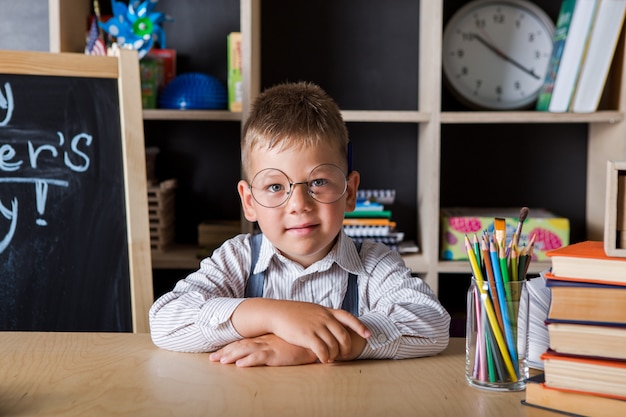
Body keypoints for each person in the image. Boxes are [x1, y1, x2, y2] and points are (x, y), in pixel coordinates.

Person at [149, 81, 450, 367]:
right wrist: (274, 316)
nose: (299, 204)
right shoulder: (237, 258)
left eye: (318, 181)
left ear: (350, 191)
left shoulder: (373, 263)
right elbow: (164, 320)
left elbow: (431, 321)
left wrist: (309, 346)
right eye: (276, 187)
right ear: (249, 201)